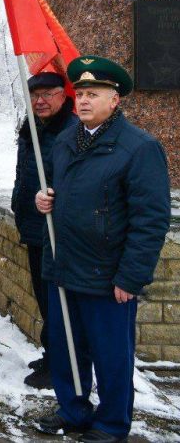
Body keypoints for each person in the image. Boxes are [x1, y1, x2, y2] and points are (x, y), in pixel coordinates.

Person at [34, 56, 170, 443]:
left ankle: (111, 424)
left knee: (112, 357)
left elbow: (151, 220)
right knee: (67, 350)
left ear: (115, 100)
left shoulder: (138, 148)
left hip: (107, 275)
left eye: (94, 94)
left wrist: (131, 276)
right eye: (81, 93)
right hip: (65, 266)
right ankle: (73, 410)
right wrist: (44, 200)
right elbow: (68, 194)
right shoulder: (65, 142)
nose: (84, 100)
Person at [10, 72, 78, 389]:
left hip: (58, 229)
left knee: (57, 300)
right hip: (34, 226)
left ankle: (61, 365)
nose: (40, 100)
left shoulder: (72, 131)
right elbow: (24, 172)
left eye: (48, 93)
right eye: (34, 95)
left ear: (63, 95)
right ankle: (52, 354)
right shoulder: (32, 129)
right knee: (42, 295)